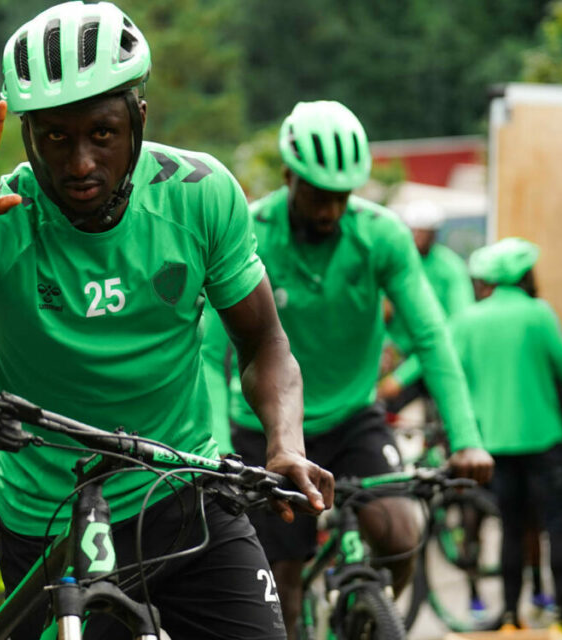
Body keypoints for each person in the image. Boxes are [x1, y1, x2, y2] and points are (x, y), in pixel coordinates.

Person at [0, 3, 331, 638]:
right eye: (55, 137)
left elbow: (263, 343)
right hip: (51, 527)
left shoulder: (200, 193)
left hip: (186, 496)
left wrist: (284, 445)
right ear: (27, 134)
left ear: (139, 118)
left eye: (103, 133)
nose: (80, 163)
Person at [204, 101, 493, 638]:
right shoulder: (253, 232)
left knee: (402, 531)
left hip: (353, 416)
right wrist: (218, 447)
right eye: (318, 194)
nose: (331, 210)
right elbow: (208, 352)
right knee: (280, 585)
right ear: (289, 175)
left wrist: (466, 439)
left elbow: (431, 337)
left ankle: (366, 618)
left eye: (343, 196)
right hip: (265, 427)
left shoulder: (380, 235)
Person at [446, 238, 562, 633]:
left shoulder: (469, 320)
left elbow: (455, 380)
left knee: (509, 530)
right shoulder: (538, 314)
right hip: (544, 441)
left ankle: (510, 618)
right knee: (555, 528)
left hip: (496, 445)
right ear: (524, 275)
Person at [377, 201, 474, 406]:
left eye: (424, 232)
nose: (417, 237)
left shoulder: (451, 268)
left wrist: (402, 377)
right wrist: (385, 345)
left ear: (435, 234)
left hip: (437, 356)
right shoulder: (397, 263)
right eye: (413, 231)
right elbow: (379, 314)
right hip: (398, 356)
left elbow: (456, 327)